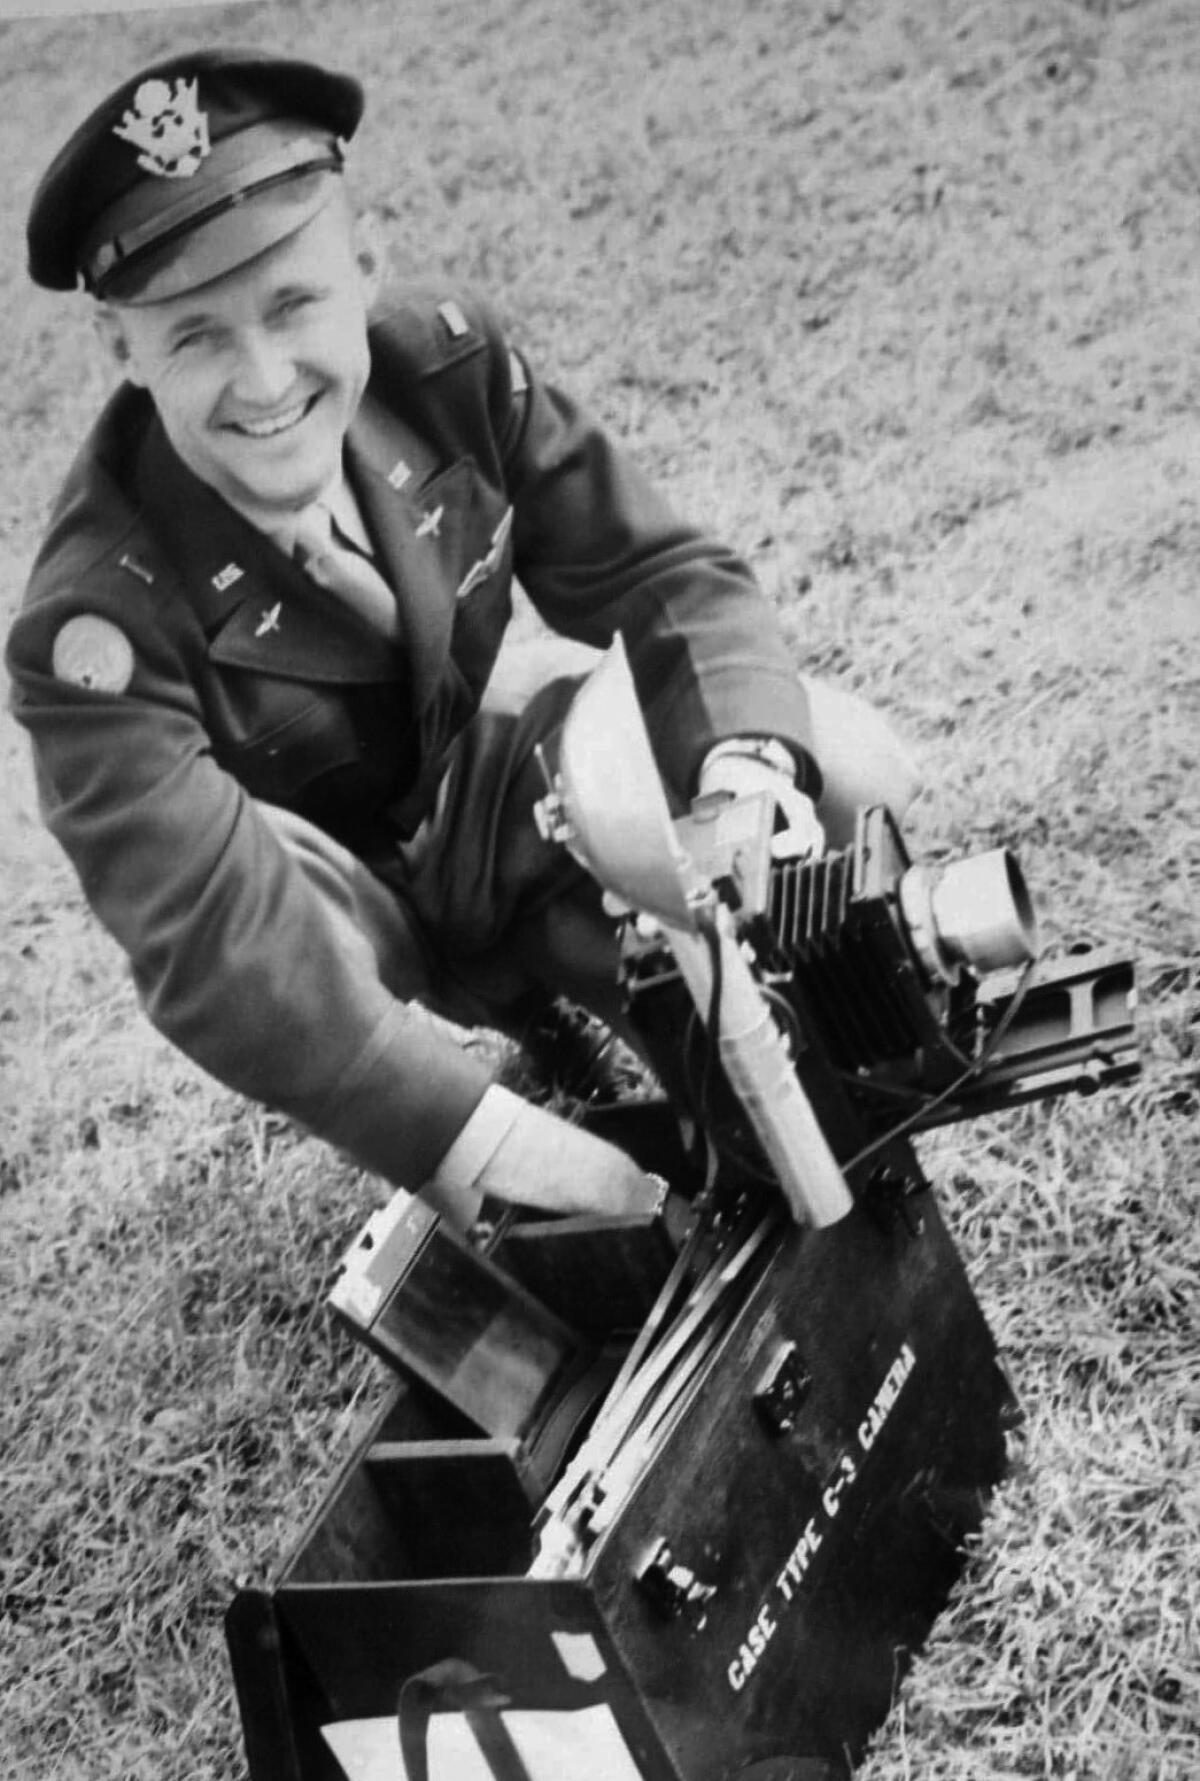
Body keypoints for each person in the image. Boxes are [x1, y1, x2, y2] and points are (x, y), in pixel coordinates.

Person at [7, 50, 918, 1234]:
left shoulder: (446, 369)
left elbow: (659, 574)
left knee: (838, 768)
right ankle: (485, 1098)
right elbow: (215, 945)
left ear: (365, 263)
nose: (265, 379)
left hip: (494, 813)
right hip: (333, 927)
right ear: (118, 350)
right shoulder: (92, 625)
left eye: (295, 304)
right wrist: (475, 1136)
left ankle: (640, 995)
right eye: (194, 338)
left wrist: (742, 781)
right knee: (563, 1211)